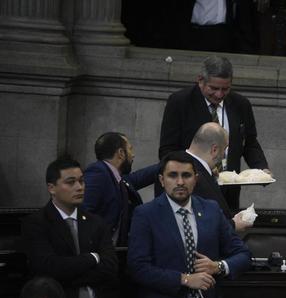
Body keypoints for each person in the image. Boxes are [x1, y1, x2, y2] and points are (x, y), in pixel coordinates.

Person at [127, 151, 252, 298]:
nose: (180, 182)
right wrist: (185, 279)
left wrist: (218, 266)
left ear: (196, 179)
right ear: (162, 180)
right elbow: (138, 267)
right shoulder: (146, 214)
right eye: (173, 175)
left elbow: (243, 254)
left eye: (186, 175)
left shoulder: (211, 209)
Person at [159, 55, 270, 210]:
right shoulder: (180, 102)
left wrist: (261, 169)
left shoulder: (241, 104)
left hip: (228, 193)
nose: (219, 94)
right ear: (200, 81)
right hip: (192, 191)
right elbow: (167, 150)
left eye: (225, 89)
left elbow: (249, 142)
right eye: (214, 88)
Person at [21, 157, 119, 298]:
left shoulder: (95, 222)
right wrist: (92, 258)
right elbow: (47, 268)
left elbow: (110, 267)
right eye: (71, 182)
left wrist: (68, 273)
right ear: (52, 188)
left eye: (81, 181)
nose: (79, 187)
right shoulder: (37, 223)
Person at [82, 132, 159, 246]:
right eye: (130, 149)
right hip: (100, 255)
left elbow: (142, 176)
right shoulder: (98, 173)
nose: (133, 155)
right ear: (121, 153)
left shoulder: (117, 178)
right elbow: (83, 214)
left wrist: (172, 162)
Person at [187, 122, 249, 231]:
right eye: (224, 149)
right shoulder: (195, 176)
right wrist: (233, 225)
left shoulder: (182, 165)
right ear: (214, 150)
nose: (224, 156)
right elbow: (202, 222)